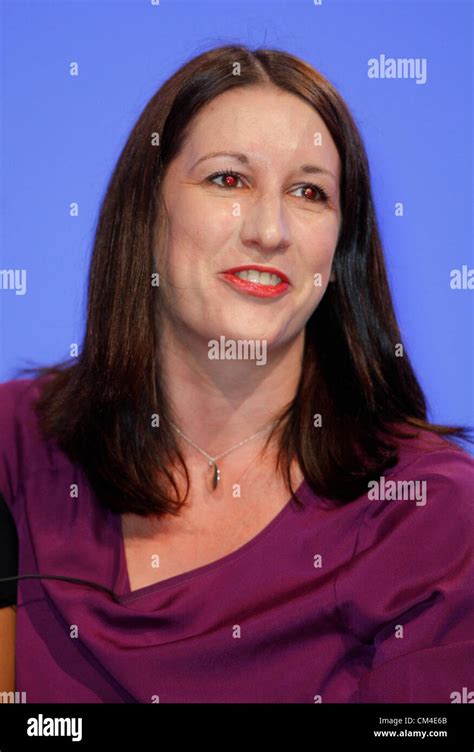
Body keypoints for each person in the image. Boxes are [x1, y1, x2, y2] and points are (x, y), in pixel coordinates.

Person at [0, 44, 473, 704]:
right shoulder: (16, 445)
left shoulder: (432, 516)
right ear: (148, 214)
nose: (270, 230)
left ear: (340, 249)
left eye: (309, 192)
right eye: (228, 180)